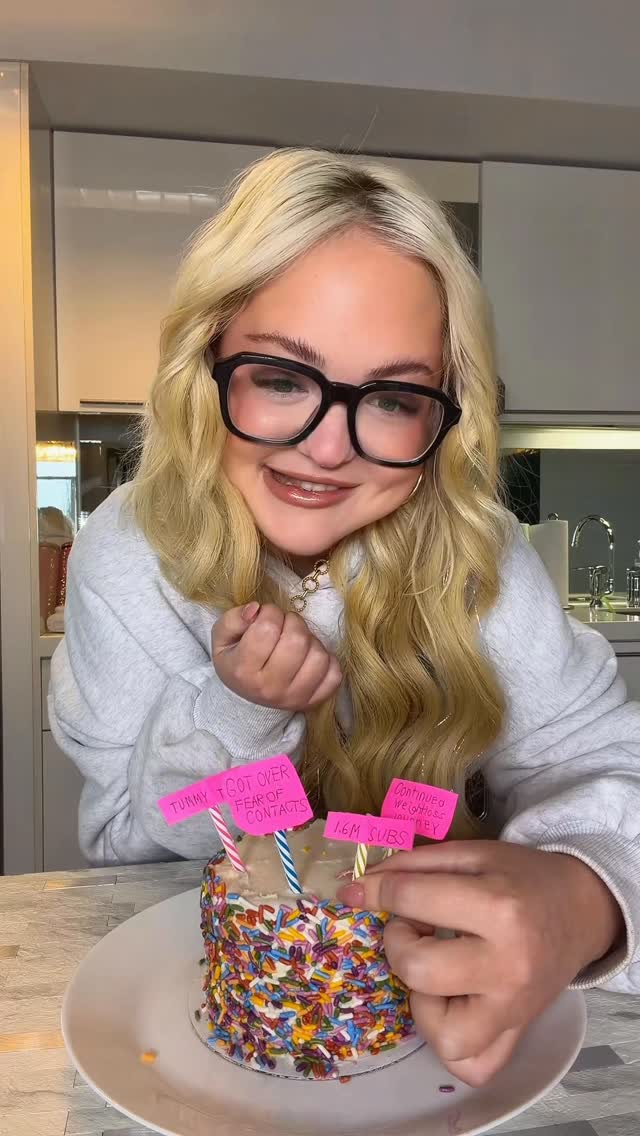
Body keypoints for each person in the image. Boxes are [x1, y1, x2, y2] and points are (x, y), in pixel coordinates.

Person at [50, 148, 640, 1086]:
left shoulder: (478, 552)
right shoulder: (130, 556)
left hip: (453, 1036)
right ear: (206, 363)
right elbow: (131, 845)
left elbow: (605, 762)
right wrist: (238, 711)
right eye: (282, 378)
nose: (328, 448)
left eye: (395, 398)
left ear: (445, 416)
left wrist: (588, 897)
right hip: (206, 1042)